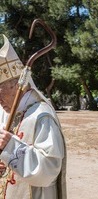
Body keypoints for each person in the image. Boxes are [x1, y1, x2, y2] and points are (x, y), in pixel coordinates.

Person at [0, 34, 67, 199]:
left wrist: (12, 148)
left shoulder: (41, 115)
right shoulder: (9, 112)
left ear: (17, 86)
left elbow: (49, 170)